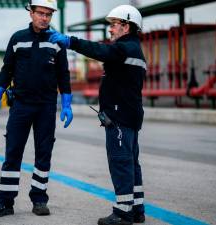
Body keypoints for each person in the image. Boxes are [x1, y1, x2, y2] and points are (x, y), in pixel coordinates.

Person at [47, 4, 146, 225]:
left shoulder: (124, 49)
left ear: (126, 26)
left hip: (120, 117)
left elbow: (100, 51)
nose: (110, 30)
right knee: (131, 163)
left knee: (120, 162)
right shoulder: (134, 50)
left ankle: (123, 213)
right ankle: (137, 209)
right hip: (130, 115)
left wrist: (70, 41)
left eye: (113, 25)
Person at [0, 0, 73, 218]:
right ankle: (5, 202)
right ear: (31, 12)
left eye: (48, 15)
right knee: (12, 151)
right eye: (40, 13)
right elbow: (7, 69)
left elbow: (64, 74)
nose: (44, 18)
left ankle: (39, 199)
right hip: (21, 105)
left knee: (44, 153)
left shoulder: (57, 42)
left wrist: (67, 104)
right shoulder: (17, 39)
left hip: (46, 106)